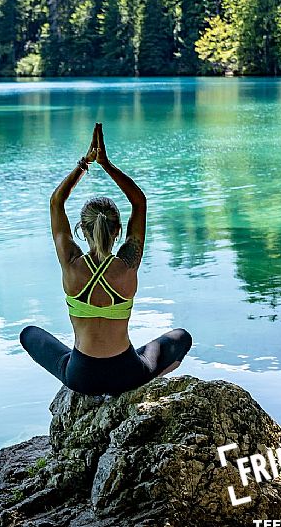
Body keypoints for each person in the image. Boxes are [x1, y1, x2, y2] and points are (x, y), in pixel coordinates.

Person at [19, 123, 192, 396]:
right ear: (118, 231)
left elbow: (56, 202)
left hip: (81, 375)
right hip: (127, 373)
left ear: (81, 230)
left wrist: (83, 164)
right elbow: (139, 202)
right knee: (181, 337)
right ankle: (143, 388)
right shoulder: (127, 265)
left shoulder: (70, 263)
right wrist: (107, 164)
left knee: (29, 334)